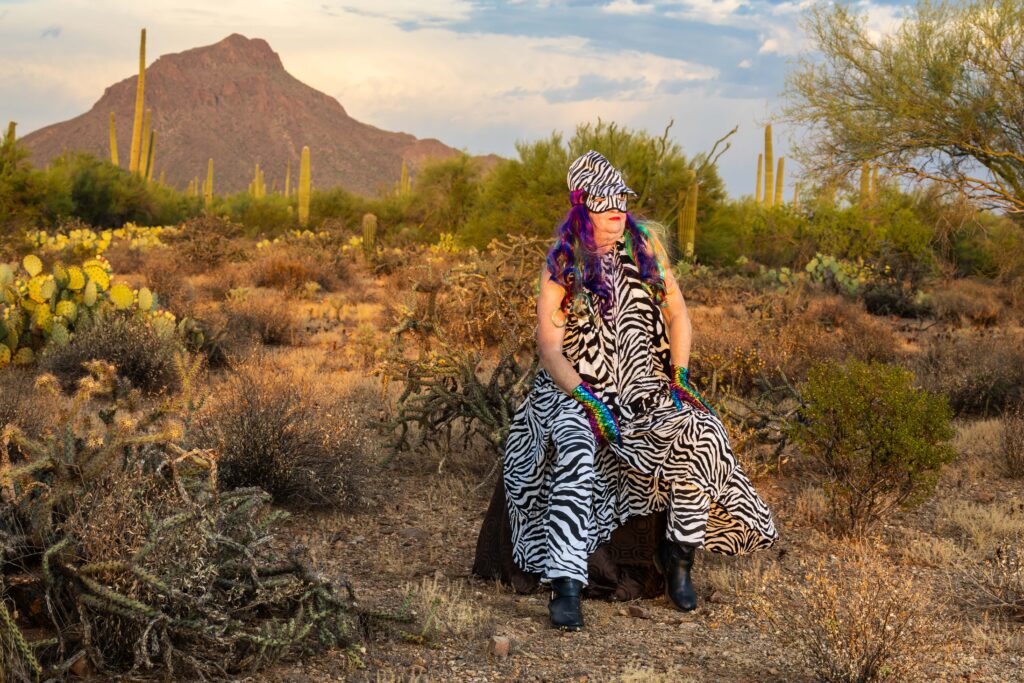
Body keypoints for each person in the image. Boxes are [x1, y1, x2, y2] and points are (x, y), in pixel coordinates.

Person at [474, 150, 779, 631]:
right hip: (574, 389)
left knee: (702, 429)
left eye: (621, 198)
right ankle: (566, 583)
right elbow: (550, 348)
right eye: (604, 200)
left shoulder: (645, 250)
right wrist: (587, 399)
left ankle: (678, 557)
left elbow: (679, 314)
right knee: (575, 445)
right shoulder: (562, 264)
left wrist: (678, 377)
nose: (616, 208)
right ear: (582, 207)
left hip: (643, 388)